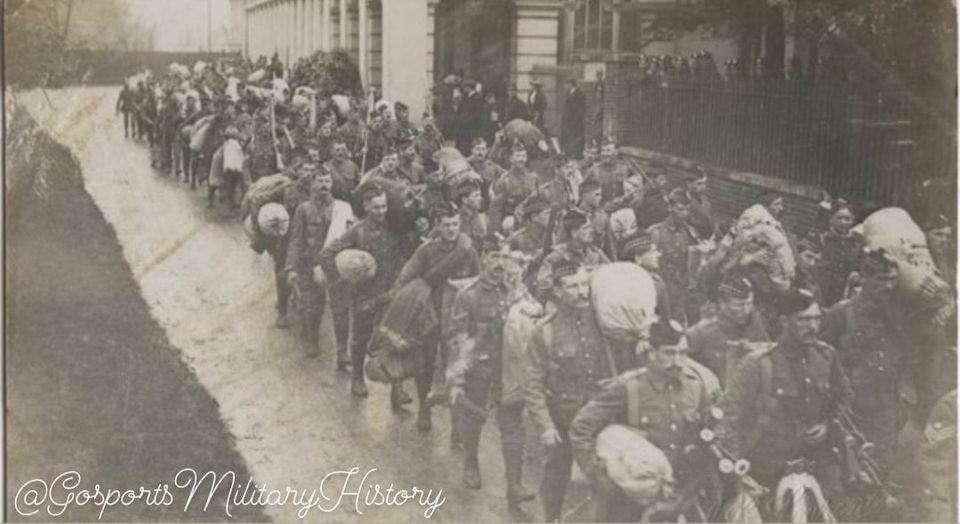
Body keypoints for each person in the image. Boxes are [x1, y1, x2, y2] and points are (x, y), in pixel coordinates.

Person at [568, 319, 722, 522]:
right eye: (669, 353)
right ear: (651, 352)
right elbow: (581, 426)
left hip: (678, 492)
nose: (678, 362)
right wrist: (596, 472)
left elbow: (711, 432)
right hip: (630, 495)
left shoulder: (696, 387)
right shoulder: (629, 387)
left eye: (683, 353)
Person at [716, 289, 853, 508]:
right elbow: (728, 416)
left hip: (817, 460)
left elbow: (844, 397)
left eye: (817, 318)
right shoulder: (758, 364)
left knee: (839, 509)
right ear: (784, 321)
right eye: (803, 320)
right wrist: (735, 467)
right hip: (769, 464)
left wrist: (826, 423)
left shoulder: (826, 355)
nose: (813, 326)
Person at [525, 263, 618, 522]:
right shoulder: (545, 331)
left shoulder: (605, 320)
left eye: (583, 284)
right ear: (557, 290)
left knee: (610, 475)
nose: (581, 292)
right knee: (557, 472)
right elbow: (533, 383)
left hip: (602, 414)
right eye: (572, 286)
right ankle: (552, 518)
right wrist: (544, 425)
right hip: (564, 416)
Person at [446, 244, 536, 506]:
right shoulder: (468, 296)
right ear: (484, 258)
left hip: (509, 369)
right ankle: (471, 463)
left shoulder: (516, 291)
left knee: (512, 424)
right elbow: (458, 339)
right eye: (494, 256)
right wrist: (457, 378)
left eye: (505, 257)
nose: (500, 263)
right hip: (480, 369)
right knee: (474, 418)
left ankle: (514, 484)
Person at [820, 250, 910, 479]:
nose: (888, 286)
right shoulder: (841, 314)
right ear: (865, 278)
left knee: (883, 468)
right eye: (882, 279)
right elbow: (821, 358)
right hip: (852, 409)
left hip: (886, 405)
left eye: (892, 280)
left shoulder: (897, 315)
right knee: (851, 471)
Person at [317, 183, 413, 397]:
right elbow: (325, 255)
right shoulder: (356, 232)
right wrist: (340, 280)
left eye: (384, 206)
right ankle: (357, 378)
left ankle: (397, 387)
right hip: (365, 295)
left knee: (394, 337)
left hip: (390, 290)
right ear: (366, 207)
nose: (382, 211)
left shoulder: (393, 227)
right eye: (377, 207)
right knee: (361, 338)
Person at [285, 167, 354, 363]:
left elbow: (351, 237)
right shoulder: (303, 209)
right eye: (320, 181)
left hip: (336, 265)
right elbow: (296, 240)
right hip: (310, 264)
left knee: (341, 309)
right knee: (312, 306)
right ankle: (311, 338)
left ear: (332, 184)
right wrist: (291, 268)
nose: (324, 185)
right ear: (313, 183)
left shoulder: (343, 208)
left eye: (327, 181)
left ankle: (342, 351)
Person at [687, 276, 770, 387]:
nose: (745, 310)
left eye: (749, 304)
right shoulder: (700, 333)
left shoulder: (758, 326)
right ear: (722, 303)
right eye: (739, 305)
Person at [647, 188, 700, 324]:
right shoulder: (656, 233)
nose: (685, 214)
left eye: (687, 209)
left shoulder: (689, 232)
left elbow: (691, 261)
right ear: (670, 208)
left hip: (681, 290)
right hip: (663, 291)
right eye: (680, 209)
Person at [535, 209, 610, 298]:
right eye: (586, 228)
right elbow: (544, 289)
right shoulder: (556, 257)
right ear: (574, 233)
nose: (591, 231)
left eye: (591, 228)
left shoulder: (596, 254)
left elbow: (612, 275)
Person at [816, 201, 864, 307]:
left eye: (847, 219)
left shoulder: (858, 241)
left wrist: (857, 273)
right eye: (839, 218)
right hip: (824, 289)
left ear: (853, 221)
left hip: (847, 290)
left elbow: (862, 264)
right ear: (832, 220)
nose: (843, 222)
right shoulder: (823, 238)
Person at [489, 143, 541, 235]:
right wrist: (496, 233)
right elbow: (496, 210)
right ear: (511, 159)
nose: (521, 159)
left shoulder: (534, 178)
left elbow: (539, 202)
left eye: (524, 156)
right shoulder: (504, 181)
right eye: (518, 156)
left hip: (531, 218)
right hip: (512, 221)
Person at [584, 137, 638, 203]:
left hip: (622, 207)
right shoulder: (594, 170)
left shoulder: (625, 167)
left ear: (616, 152)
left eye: (608, 150)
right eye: (603, 150)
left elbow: (637, 185)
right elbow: (584, 191)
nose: (604, 153)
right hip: (601, 208)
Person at [467, 137, 506, 211]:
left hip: (488, 206)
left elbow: (507, 176)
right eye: (478, 149)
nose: (480, 152)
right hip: (470, 207)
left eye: (483, 149)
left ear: (487, 151)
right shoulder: (466, 166)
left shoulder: (492, 167)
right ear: (472, 150)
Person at [452, 181, 488, 250]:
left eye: (480, 195)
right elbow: (465, 246)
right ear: (464, 200)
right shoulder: (461, 219)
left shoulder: (476, 214)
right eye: (476, 196)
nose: (480, 198)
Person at [560, 77, 586, 159]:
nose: (565, 86)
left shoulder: (579, 93)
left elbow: (581, 109)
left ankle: (577, 154)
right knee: (568, 136)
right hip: (568, 120)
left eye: (566, 84)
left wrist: (575, 120)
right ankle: (569, 153)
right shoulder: (568, 93)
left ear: (571, 84)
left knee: (577, 136)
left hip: (576, 120)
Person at [685, 170, 715, 239]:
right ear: (688, 183)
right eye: (699, 184)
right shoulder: (684, 201)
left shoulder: (705, 199)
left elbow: (711, 220)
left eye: (704, 183)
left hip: (710, 239)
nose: (703, 187)